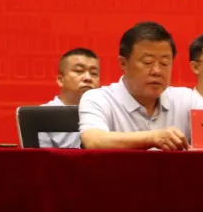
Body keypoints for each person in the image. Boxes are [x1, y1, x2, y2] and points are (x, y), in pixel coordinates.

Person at [79, 21, 193, 150]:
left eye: (164, 63)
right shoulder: (98, 99)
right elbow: (94, 141)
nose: (157, 71)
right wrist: (153, 138)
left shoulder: (187, 99)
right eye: (148, 62)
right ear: (123, 63)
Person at [36, 48, 101, 148]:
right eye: (79, 71)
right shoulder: (42, 116)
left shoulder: (106, 111)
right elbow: (39, 157)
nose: (88, 78)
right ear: (60, 80)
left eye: (94, 73)